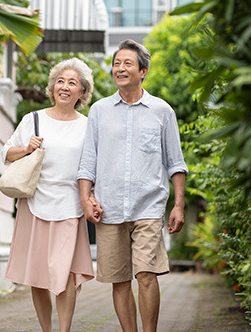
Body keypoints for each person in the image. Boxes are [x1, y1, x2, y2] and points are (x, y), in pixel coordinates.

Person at [77, 39, 188, 332]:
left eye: (127, 63)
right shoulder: (99, 111)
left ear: (143, 71)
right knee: (119, 279)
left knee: (147, 275)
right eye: (116, 63)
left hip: (148, 207)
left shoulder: (162, 111)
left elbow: (176, 163)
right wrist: (86, 198)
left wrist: (178, 204)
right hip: (109, 208)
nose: (120, 69)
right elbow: (88, 161)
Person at [2, 58, 95, 332]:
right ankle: (47, 329)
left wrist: (92, 197)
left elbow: (92, 167)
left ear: (82, 92)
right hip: (34, 205)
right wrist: (26, 149)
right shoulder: (33, 120)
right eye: (60, 81)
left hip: (70, 206)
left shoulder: (87, 126)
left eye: (72, 83)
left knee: (64, 272)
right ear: (53, 87)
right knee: (38, 277)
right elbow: (5, 153)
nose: (64, 87)